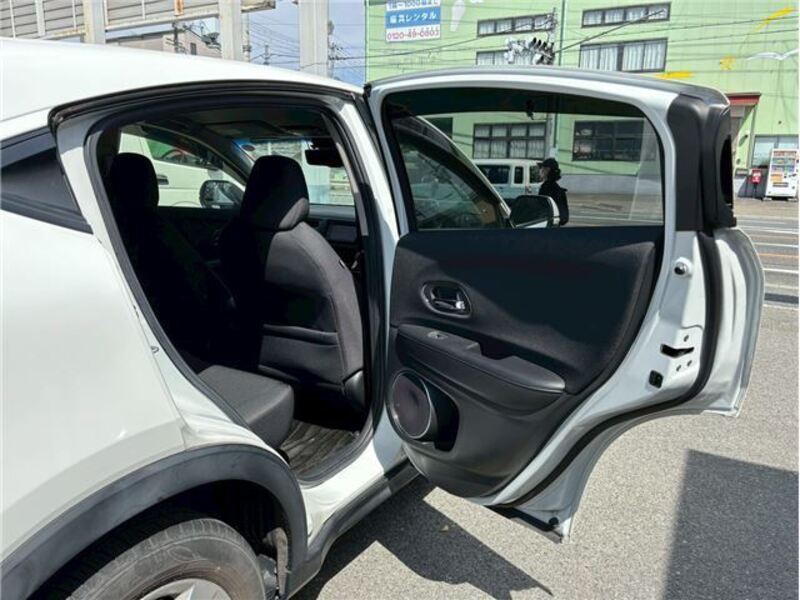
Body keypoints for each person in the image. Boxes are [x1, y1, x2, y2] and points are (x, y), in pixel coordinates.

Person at [538, 158, 569, 226]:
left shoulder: (545, 188)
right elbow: (564, 218)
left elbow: (540, 210)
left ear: (547, 170)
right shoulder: (559, 190)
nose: (540, 171)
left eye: (542, 168)